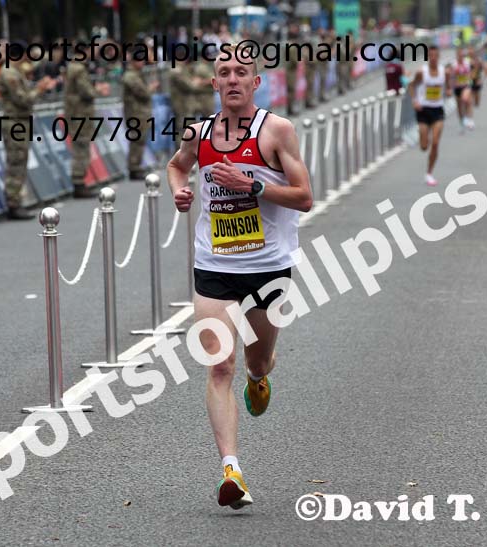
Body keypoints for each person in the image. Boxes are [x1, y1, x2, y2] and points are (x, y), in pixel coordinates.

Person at [166, 46, 312, 509]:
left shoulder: (277, 131)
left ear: (255, 82)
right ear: (213, 84)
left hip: (268, 268)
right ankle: (232, 470)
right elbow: (175, 165)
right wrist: (180, 192)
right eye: (224, 72)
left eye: (241, 73)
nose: (232, 79)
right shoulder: (199, 134)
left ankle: (259, 375)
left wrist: (251, 186)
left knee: (257, 361)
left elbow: (305, 197)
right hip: (214, 266)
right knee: (218, 365)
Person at [0, 45, 56, 219]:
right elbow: (22, 99)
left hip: (20, 121)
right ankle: (13, 202)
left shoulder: (14, 71)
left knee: (20, 161)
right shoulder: (9, 73)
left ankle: (16, 200)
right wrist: (39, 89)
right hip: (15, 122)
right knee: (16, 162)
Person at [64, 49, 110, 198]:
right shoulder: (78, 69)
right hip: (80, 115)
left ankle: (79, 181)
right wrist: (98, 90)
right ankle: (78, 182)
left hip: (78, 114)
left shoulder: (74, 67)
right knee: (81, 148)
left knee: (81, 147)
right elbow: (86, 92)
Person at [409, 45, 450, 186]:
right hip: (423, 110)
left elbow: (449, 86)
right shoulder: (422, 72)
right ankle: (422, 135)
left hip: (437, 110)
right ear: (428, 57)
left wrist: (449, 90)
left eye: (435, 56)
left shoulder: (444, 72)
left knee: (436, 142)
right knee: (424, 146)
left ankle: (429, 173)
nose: (433, 58)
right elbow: (411, 86)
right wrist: (414, 101)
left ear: (438, 57)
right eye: (430, 56)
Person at [122, 52, 158, 179]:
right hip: (135, 113)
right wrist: (151, 88)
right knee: (136, 140)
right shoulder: (130, 76)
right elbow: (142, 92)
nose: (142, 63)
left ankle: (136, 165)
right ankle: (134, 167)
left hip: (141, 113)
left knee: (140, 140)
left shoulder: (137, 74)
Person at [450, 47, 474, 131]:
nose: (460, 56)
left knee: (466, 99)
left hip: (466, 85)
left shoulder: (467, 62)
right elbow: (450, 76)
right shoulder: (453, 65)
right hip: (457, 88)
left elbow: (472, 70)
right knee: (459, 107)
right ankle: (462, 123)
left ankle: (469, 119)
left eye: (462, 55)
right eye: (459, 55)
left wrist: (470, 78)